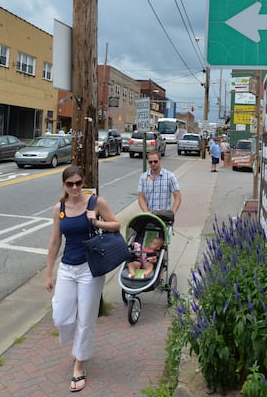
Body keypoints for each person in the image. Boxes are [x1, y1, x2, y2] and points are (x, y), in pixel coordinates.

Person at [45, 165, 120, 392]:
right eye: (70, 184)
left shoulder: (95, 202)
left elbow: (116, 225)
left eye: (78, 183)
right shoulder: (59, 208)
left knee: (86, 319)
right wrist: (49, 273)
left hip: (90, 268)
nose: (75, 187)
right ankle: (77, 346)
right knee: (60, 316)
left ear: (83, 182)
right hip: (67, 267)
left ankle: (79, 363)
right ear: (64, 185)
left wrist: (96, 221)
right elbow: (55, 241)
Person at [137, 150, 182, 214]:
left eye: (155, 161)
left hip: (164, 216)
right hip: (149, 216)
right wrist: (147, 212)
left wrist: (172, 213)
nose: (153, 164)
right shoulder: (143, 177)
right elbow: (141, 197)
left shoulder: (169, 176)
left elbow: (177, 196)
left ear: (160, 160)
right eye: (150, 162)